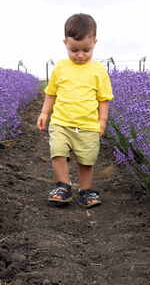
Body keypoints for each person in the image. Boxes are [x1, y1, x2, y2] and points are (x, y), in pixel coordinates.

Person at [36, 13, 114, 209]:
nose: (80, 55)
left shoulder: (98, 70)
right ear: (65, 43)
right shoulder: (60, 67)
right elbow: (51, 93)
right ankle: (63, 185)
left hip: (88, 125)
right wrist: (45, 113)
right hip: (61, 122)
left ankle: (86, 190)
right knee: (58, 152)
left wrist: (102, 121)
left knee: (86, 160)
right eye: (74, 50)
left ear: (95, 42)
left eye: (86, 50)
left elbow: (104, 99)